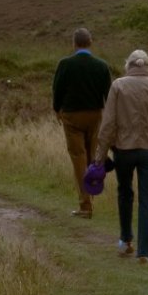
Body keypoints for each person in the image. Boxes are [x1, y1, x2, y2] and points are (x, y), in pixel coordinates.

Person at [94, 49, 148, 263]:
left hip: (123, 150)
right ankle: (145, 252)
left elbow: (108, 123)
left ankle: (125, 239)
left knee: (125, 193)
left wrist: (100, 154)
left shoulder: (118, 85)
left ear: (128, 65)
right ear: (147, 65)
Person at [52, 28, 113, 219]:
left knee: (78, 157)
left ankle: (85, 205)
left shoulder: (65, 64)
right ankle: (91, 198)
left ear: (74, 43)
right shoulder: (102, 66)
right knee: (91, 156)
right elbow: (108, 94)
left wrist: (57, 110)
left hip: (71, 117)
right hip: (95, 116)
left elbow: (57, 89)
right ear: (91, 42)